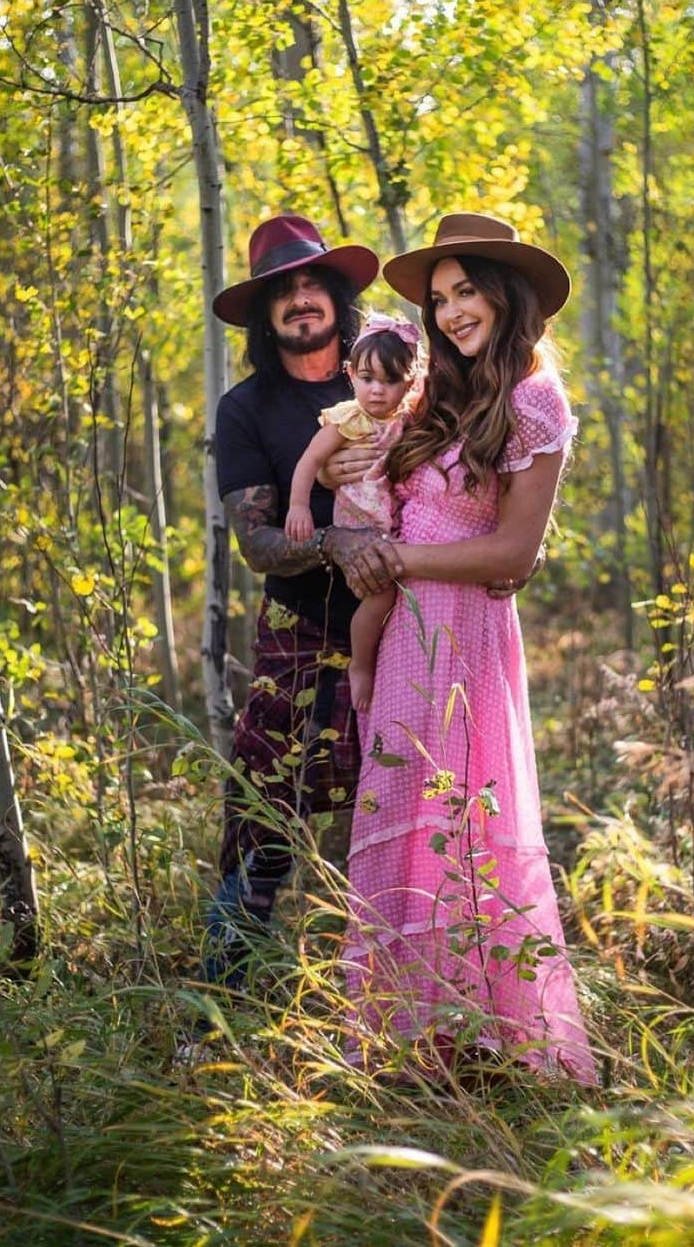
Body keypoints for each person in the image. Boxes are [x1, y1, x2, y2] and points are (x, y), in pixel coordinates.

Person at [341, 213, 597, 1082]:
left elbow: (513, 554)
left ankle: (491, 1042)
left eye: (465, 291)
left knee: (463, 824)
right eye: (439, 298)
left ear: (505, 292)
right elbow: (380, 486)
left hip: (465, 635)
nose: (450, 311)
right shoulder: (438, 397)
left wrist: (401, 559)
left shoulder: (533, 399)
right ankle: (412, 1046)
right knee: (401, 820)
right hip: (401, 633)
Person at [205, 213, 402, 988]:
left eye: (312, 282)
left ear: (339, 296)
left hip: (405, 623)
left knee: (414, 798)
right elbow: (255, 541)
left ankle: (412, 994)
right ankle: (219, 1001)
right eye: (281, 291)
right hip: (298, 628)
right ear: (265, 316)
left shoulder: (391, 379)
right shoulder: (246, 409)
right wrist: (333, 543)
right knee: (260, 814)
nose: (299, 299)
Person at [284, 314, 422, 712]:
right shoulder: (349, 418)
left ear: (409, 383)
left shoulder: (409, 419)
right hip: (361, 525)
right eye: (367, 378)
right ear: (350, 375)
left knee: (401, 598)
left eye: (390, 380)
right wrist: (299, 505)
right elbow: (310, 460)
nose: (377, 390)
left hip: (395, 524)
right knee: (379, 599)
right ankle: (361, 666)